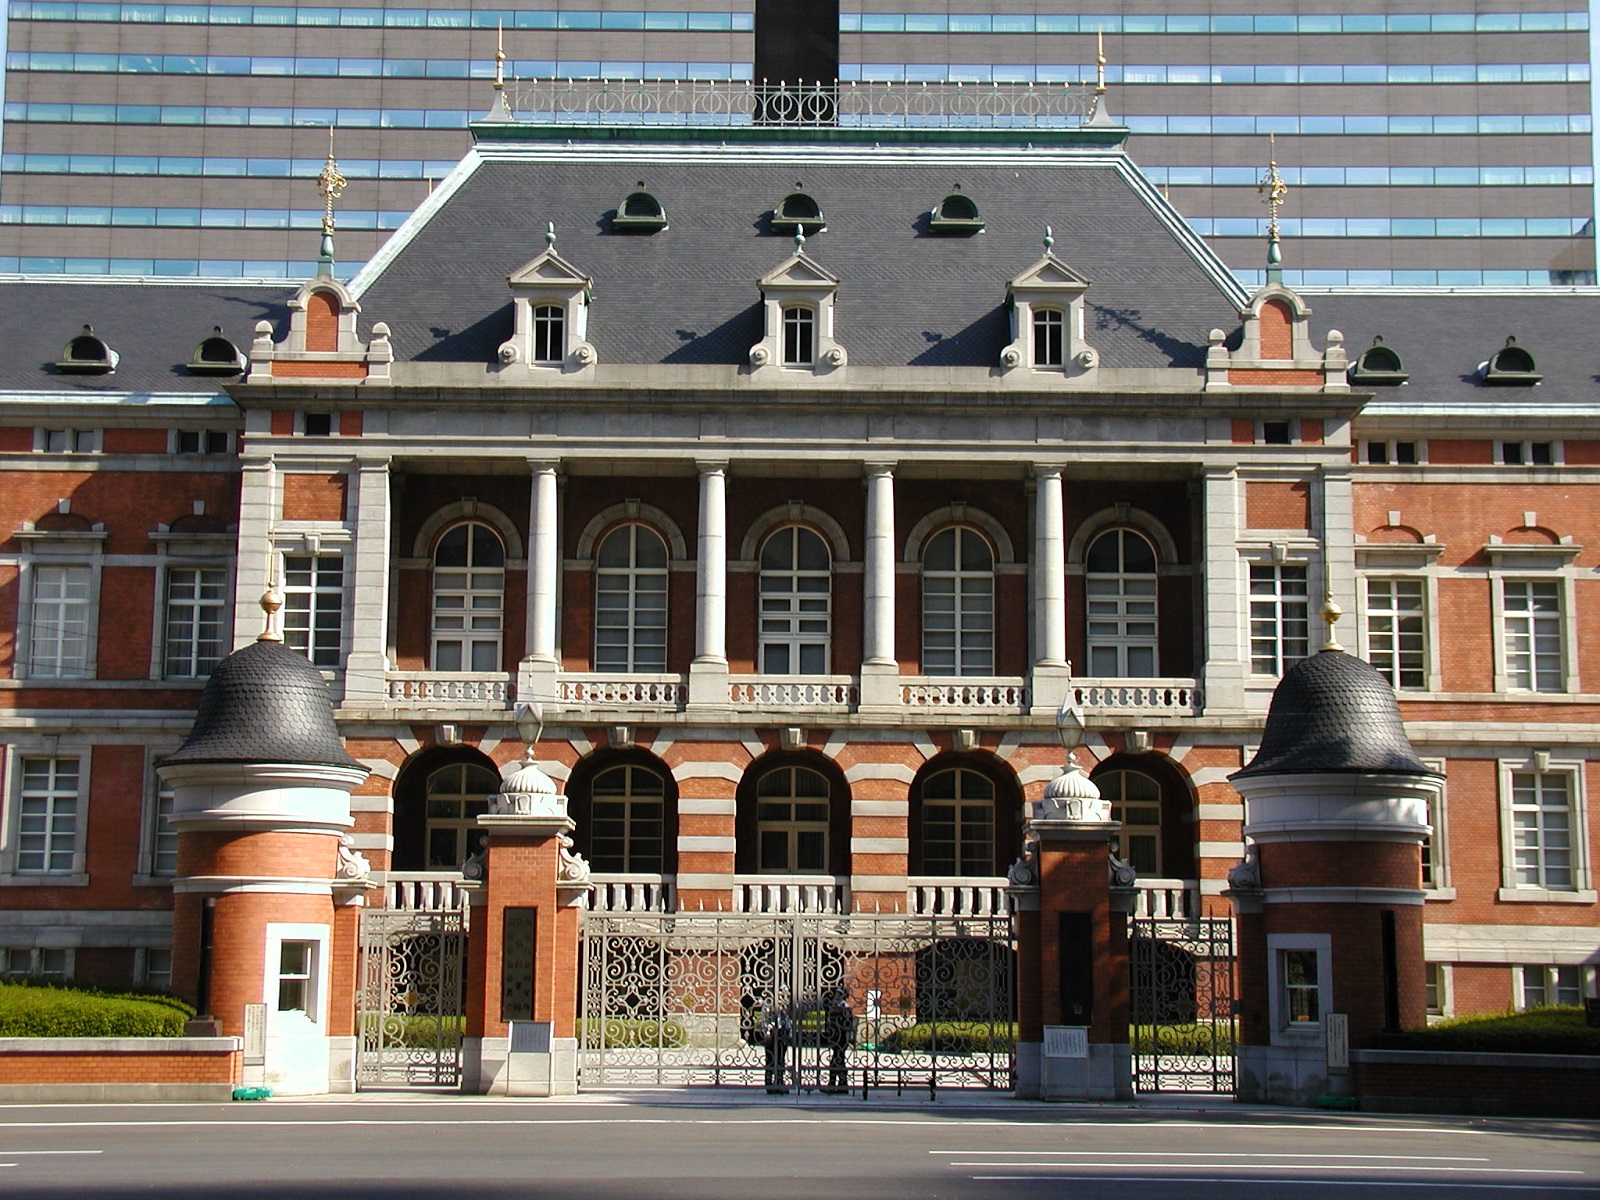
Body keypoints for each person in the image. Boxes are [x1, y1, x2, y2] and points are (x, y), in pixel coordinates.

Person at [823, 987, 855, 1094]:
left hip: (841, 1037)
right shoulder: (834, 1006)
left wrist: (849, 1036)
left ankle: (837, 1085)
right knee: (838, 1061)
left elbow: (848, 1024)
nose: (835, 996)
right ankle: (839, 1085)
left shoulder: (844, 1008)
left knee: (838, 1060)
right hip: (835, 1037)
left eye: (838, 994)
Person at [762, 1006, 791, 1094]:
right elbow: (765, 1020)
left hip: (782, 1034)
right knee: (770, 1059)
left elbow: (786, 1020)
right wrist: (767, 1033)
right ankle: (769, 1084)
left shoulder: (784, 1005)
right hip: (772, 1034)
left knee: (781, 1059)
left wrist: (789, 1034)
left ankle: (779, 1082)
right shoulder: (769, 1004)